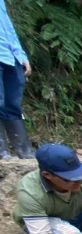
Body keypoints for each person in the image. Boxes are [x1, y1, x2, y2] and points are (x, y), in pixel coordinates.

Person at [0, 1, 34, 160]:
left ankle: (24, 151)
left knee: (12, 103)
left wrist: (20, 55)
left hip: (9, 56)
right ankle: (2, 152)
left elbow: (7, 28)